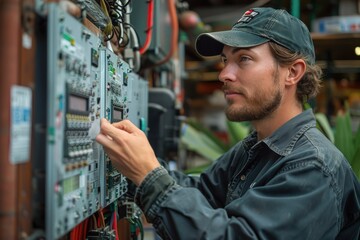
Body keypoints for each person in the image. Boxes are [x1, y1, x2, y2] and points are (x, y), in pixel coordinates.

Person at [96, 7, 360, 239]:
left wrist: (149, 176)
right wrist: (134, 164)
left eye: (244, 59)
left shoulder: (314, 168)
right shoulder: (256, 147)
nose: (224, 74)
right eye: (225, 60)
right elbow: (201, 193)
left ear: (292, 72)